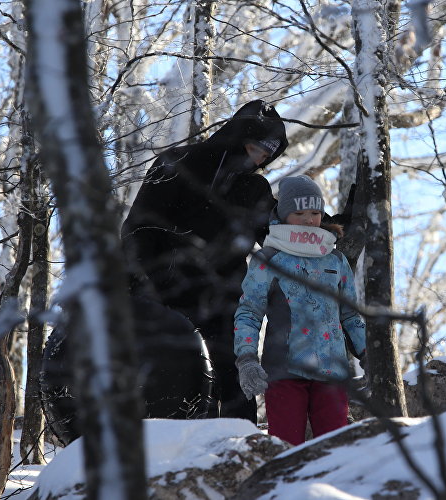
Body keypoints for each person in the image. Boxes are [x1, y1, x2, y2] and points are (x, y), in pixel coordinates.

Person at [121, 99, 288, 422]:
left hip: (224, 300)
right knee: (177, 378)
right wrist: (133, 290)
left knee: (233, 378)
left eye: (266, 156)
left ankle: (242, 448)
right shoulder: (178, 163)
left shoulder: (254, 188)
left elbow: (280, 235)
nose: (259, 160)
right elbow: (139, 228)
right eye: (256, 149)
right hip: (165, 295)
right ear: (239, 138)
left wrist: (331, 229)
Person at [233, 175, 366, 445]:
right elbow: (249, 312)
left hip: (332, 373)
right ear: (283, 215)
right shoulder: (268, 258)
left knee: (336, 452)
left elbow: (350, 314)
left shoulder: (335, 258)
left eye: (315, 212)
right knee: (285, 450)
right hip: (284, 373)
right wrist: (246, 359)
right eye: (299, 212)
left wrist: (370, 355)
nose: (309, 219)